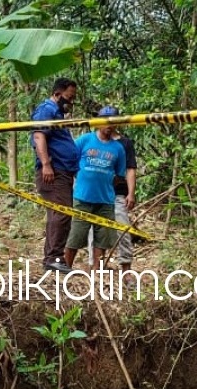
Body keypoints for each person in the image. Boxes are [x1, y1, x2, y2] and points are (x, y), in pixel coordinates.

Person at [63, 106, 126, 271]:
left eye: (113, 122)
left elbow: (120, 175)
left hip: (105, 200)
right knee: (76, 235)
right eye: (105, 121)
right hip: (82, 197)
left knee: (102, 238)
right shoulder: (84, 140)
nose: (109, 125)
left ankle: (97, 271)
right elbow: (70, 160)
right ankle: (65, 268)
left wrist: (105, 184)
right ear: (98, 122)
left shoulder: (118, 148)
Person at [31, 78, 79, 273]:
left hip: (62, 173)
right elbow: (38, 136)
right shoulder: (46, 110)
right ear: (58, 94)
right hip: (54, 172)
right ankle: (53, 258)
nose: (71, 102)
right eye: (69, 97)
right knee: (61, 213)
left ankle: (53, 258)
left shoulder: (58, 114)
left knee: (61, 213)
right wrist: (46, 164)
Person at [88, 111, 138, 284]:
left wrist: (131, 193)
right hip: (96, 194)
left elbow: (130, 169)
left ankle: (126, 270)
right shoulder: (91, 140)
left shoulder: (124, 143)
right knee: (95, 231)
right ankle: (96, 268)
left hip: (117, 194)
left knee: (123, 229)